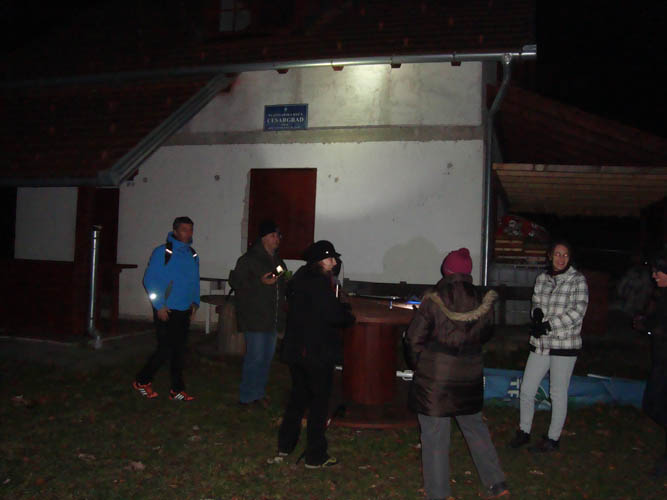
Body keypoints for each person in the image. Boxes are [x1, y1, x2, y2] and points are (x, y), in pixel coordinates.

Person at [405, 248, 509, 500]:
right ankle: (496, 483)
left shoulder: (434, 299)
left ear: (447, 271)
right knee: (475, 429)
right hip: (469, 375)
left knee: (435, 436)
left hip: (436, 379)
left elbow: (413, 339)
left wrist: (421, 365)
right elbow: (486, 334)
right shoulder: (483, 301)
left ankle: (439, 494)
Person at [275, 240, 355, 469]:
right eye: (330, 259)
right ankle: (316, 455)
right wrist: (347, 315)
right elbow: (332, 315)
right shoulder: (318, 283)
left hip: (297, 351)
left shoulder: (301, 277)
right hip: (315, 352)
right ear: (319, 261)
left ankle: (285, 445)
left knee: (298, 398)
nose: (334, 262)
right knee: (319, 403)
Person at [509, 240, 589, 452]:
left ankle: (553, 438)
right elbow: (537, 301)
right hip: (542, 344)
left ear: (570, 258)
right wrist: (536, 315)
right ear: (550, 256)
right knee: (527, 389)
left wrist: (549, 325)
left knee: (557, 392)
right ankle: (524, 431)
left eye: (565, 255)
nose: (561, 258)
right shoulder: (542, 278)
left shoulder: (577, 280)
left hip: (564, 344)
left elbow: (577, 312)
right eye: (557, 254)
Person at [133, 216, 200, 401]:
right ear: (175, 231)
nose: (188, 233)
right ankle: (142, 380)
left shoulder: (192, 255)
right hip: (167, 310)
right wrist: (159, 306)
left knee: (179, 351)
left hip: (184, 309)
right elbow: (149, 280)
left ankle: (176, 390)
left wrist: (195, 304)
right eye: (184, 229)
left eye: (191, 229)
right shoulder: (162, 252)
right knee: (165, 349)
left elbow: (194, 281)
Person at [229, 220, 287, 406]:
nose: (277, 239)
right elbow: (236, 282)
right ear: (263, 238)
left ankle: (259, 393)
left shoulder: (278, 261)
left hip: (272, 318)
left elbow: (281, 284)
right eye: (273, 235)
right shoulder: (248, 260)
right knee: (255, 358)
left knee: (266, 358)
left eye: (278, 235)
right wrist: (259, 282)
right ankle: (247, 396)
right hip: (255, 318)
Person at [633, 250, 667, 477]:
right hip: (661, 360)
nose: (654, 276)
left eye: (658, 271)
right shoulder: (662, 296)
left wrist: (651, 328)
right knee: (652, 405)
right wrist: (644, 322)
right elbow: (657, 322)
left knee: (657, 405)